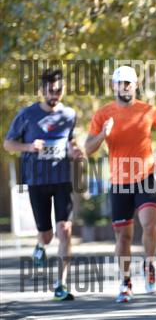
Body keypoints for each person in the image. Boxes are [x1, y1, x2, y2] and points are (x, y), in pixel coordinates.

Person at [84, 65, 156, 303]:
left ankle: (149, 264)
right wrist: (103, 134)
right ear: (113, 86)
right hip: (119, 182)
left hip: (146, 177)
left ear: (135, 86)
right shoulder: (103, 114)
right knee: (123, 236)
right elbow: (88, 149)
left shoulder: (149, 110)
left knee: (150, 226)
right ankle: (125, 281)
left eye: (128, 84)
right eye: (119, 84)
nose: (124, 88)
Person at [4, 68, 83, 301]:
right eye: (50, 90)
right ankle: (40, 246)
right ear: (41, 90)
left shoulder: (69, 115)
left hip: (62, 179)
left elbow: (71, 140)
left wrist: (74, 150)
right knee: (47, 235)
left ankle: (61, 284)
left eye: (58, 90)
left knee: (65, 230)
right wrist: (29, 147)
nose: (54, 95)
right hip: (37, 181)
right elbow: (8, 144)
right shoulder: (27, 115)